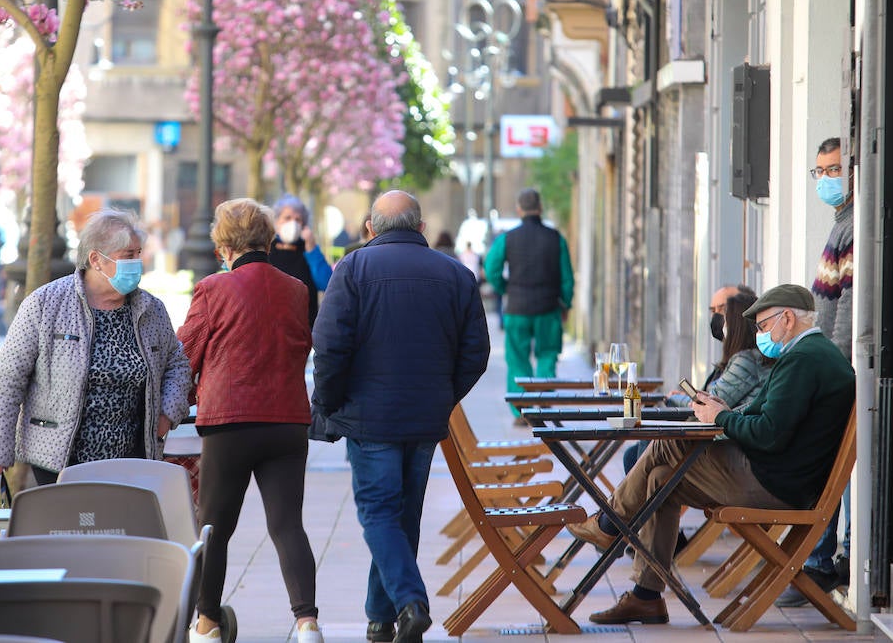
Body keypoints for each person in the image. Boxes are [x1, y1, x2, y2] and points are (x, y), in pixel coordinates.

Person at [568, 284, 855, 625]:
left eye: (763, 326)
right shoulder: (813, 356)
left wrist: (719, 418)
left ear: (788, 318)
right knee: (661, 479)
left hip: (776, 484)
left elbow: (767, 435)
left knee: (670, 442)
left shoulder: (802, 361)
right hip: (783, 478)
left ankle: (608, 523)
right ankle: (646, 597)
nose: (760, 335)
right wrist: (723, 409)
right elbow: (763, 414)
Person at [311, 190, 490, 643]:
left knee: (379, 513)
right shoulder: (457, 274)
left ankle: (410, 603)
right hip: (423, 417)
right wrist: (443, 397)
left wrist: (327, 404)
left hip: (369, 417)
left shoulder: (351, 269)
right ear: (421, 228)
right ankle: (380, 617)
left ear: (369, 229)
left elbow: (329, 347)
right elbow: (476, 354)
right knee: (402, 516)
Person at [178, 199, 323, 643]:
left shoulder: (212, 290)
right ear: (267, 239)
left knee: (214, 528)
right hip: (287, 421)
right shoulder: (296, 288)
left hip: (229, 421)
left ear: (223, 246)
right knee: (287, 525)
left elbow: (185, 355)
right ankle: (307, 624)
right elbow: (302, 346)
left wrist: (182, 401)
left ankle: (206, 624)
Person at [0, 209, 191, 485]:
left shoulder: (151, 309)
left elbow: (177, 362)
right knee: (69, 526)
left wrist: (166, 415)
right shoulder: (46, 304)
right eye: (129, 255)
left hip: (130, 460)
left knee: (119, 528)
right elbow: (8, 378)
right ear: (96, 260)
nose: (137, 263)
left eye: (139, 253)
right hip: (58, 460)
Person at [781, 136, 855, 605]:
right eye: (820, 171)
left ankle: (821, 560)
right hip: (829, 362)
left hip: (838, 367)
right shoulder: (840, 224)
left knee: (827, 461)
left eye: (834, 170)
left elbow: (847, 310)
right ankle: (821, 557)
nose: (827, 179)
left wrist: (834, 366)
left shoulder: (853, 226)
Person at [621, 285, 766, 473]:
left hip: (725, 446)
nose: (719, 322)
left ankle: (626, 503)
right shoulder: (737, 359)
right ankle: (633, 502)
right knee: (639, 456)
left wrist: (674, 398)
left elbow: (707, 402)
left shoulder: (746, 360)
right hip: (717, 437)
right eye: (714, 311)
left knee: (654, 448)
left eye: (723, 313)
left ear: (738, 322)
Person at [484, 188, 574, 413]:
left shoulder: (508, 238)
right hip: (549, 308)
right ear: (540, 208)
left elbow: (491, 268)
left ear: (519, 209)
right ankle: (543, 405)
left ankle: (522, 409)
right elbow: (567, 278)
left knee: (517, 359)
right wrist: (566, 303)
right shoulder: (556, 239)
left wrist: (505, 289)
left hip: (517, 308)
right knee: (547, 355)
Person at [268, 194, 333, 325]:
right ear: (276, 221)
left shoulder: (309, 249)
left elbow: (327, 283)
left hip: (303, 325)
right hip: (271, 323)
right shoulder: (267, 246)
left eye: (298, 220)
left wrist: (312, 248)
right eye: (287, 218)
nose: (293, 223)